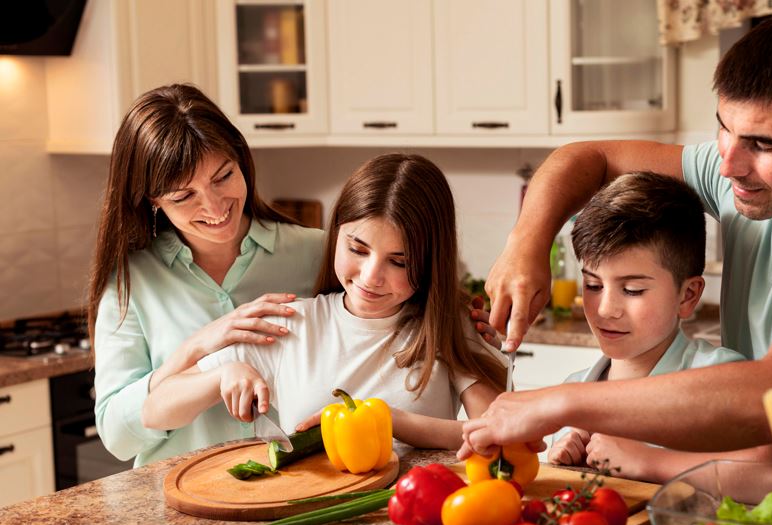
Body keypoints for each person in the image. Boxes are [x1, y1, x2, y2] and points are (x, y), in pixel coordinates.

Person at [461, 12, 772, 511]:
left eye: (763, 144)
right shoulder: (748, 179)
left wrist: (555, 404)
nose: (729, 165)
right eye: (725, 129)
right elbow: (587, 156)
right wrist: (525, 242)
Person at [142, 154, 507, 451]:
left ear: (431, 264)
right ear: (336, 235)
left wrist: (389, 421)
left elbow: (500, 434)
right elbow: (155, 411)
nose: (370, 276)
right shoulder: (291, 323)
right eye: (357, 249)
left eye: (400, 261)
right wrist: (223, 375)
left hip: (415, 518)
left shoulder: (448, 324)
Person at [89, 84, 325, 468]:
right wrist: (198, 348)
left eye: (223, 176)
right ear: (152, 200)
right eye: (183, 196)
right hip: (179, 505)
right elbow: (117, 436)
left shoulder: (317, 254)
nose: (214, 206)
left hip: (302, 490)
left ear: (240, 158)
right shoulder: (132, 281)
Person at [545, 172, 772, 482]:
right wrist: (562, 457)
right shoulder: (571, 393)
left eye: (633, 290)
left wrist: (651, 460)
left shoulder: (720, 377)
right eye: (592, 284)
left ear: (688, 295)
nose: (605, 310)